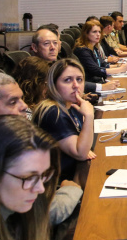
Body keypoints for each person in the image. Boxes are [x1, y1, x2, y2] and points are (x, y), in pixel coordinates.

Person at [0, 73, 82, 226]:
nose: (24, 106)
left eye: (21, 98)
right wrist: (72, 190)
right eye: (13, 102)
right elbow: (39, 214)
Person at [33, 59, 97, 187]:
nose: (76, 85)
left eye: (79, 79)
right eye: (67, 80)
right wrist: (89, 116)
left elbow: (82, 144)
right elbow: (81, 153)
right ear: (54, 84)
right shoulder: (52, 112)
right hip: (57, 185)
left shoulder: (71, 105)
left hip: (75, 172)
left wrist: (82, 145)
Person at [31, 27, 116, 95]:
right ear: (35, 47)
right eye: (46, 43)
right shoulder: (34, 69)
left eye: (55, 43)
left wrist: (82, 96)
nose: (53, 47)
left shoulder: (56, 62)